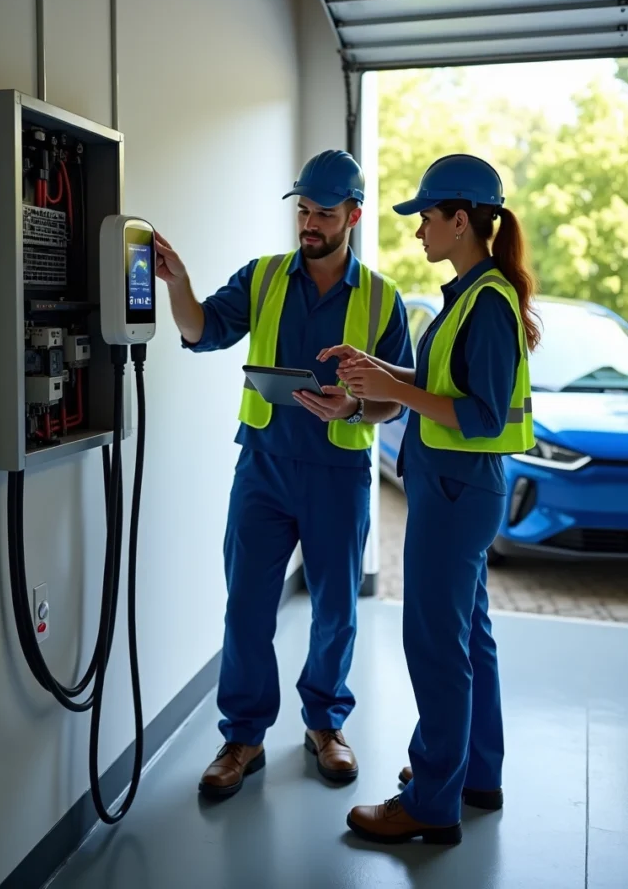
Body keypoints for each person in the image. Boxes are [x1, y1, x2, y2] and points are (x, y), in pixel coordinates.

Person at [154, 150, 414, 800]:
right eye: (302, 209)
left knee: (333, 610)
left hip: (338, 471)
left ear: (352, 215)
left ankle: (325, 724)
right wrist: (178, 283)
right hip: (263, 467)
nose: (309, 223)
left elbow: (394, 399)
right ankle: (242, 735)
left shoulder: (382, 298)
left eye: (323, 212)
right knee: (246, 608)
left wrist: (353, 403)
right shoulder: (264, 278)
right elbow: (202, 330)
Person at [321, 154, 539, 845]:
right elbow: (439, 383)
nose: (418, 232)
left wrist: (392, 391)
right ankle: (475, 775)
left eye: (425, 219)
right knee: (467, 638)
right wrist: (376, 371)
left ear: (460, 220)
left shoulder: (488, 302)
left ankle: (433, 802)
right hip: (455, 489)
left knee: (435, 646)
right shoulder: (472, 294)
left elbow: (475, 414)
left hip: (456, 491)